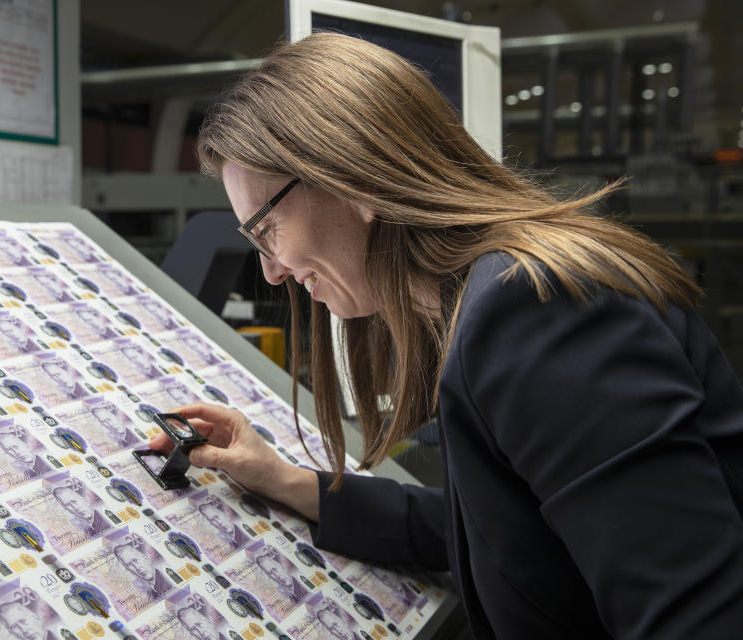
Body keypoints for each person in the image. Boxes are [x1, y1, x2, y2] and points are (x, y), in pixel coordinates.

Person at [147, 33, 743, 639]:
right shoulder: (482, 303)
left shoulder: (536, 310)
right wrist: (281, 479)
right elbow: (496, 525)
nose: (271, 270)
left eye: (266, 228)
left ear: (349, 176)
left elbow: (695, 620)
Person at [112, 536, 174, 600]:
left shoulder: (169, 581)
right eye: (129, 564)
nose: (137, 567)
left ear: (145, 557)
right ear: (128, 569)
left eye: (135, 560)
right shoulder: (151, 594)